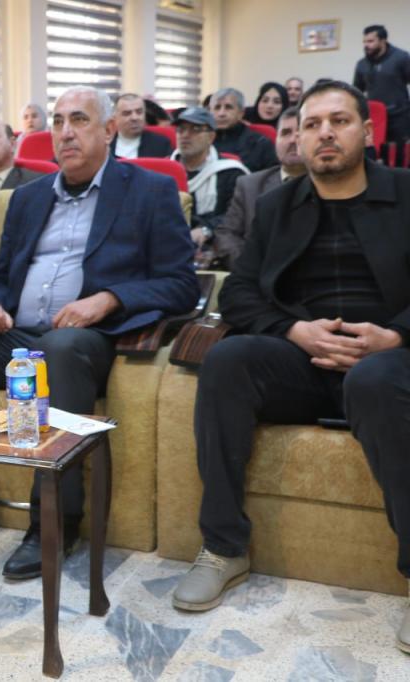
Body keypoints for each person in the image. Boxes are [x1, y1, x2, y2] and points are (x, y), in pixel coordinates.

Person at [0, 86, 199, 580]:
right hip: (18, 337)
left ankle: (54, 520)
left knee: (58, 347)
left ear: (109, 130)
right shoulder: (29, 197)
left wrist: (109, 298)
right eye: (59, 122)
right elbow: (0, 276)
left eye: (79, 120)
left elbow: (181, 284)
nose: (65, 132)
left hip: (87, 340)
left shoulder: (149, 191)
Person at [172, 81, 410, 654]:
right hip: (305, 360)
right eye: (312, 124)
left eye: (339, 121)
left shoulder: (406, 193)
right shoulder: (279, 205)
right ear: (298, 139)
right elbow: (240, 292)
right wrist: (293, 331)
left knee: (374, 380)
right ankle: (224, 546)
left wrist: (394, 335)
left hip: (390, 361)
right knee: (228, 359)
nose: (325, 133)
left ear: (367, 132)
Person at [215, 106, 306, 269]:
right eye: (285, 133)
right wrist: (251, 267)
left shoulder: (331, 186)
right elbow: (226, 234)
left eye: (300, 133)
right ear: (275, 140)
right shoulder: (249, 185)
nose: (293, 140)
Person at [169, 107, 249, 258]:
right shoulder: (164, 170)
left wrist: (206, 229)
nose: (185, 135)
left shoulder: (230, 172)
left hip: (215, 246)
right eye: (181, 129)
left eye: (195, 129)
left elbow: (236, 214)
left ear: (211, 137)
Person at [354, 24, 410, 161]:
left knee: (398, 154)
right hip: (374, 117)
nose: (366, 45)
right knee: (374, 152)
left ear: (383, 41)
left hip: (399, 116)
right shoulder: (362, 64)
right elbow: (357, 90)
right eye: (364, 41)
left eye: (370, 41)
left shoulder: (402, 58)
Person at [211, 87, 277, 171]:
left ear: (241, 113)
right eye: (217, 107)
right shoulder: (203, 141)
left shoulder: (260, 144)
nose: (221, 113)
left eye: (228, 107)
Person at [110, 93, 172, 159]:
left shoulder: (161, 144)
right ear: (115, 118)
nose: (134, 118)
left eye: (139, 112)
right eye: (127, 113)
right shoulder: (105, 144)